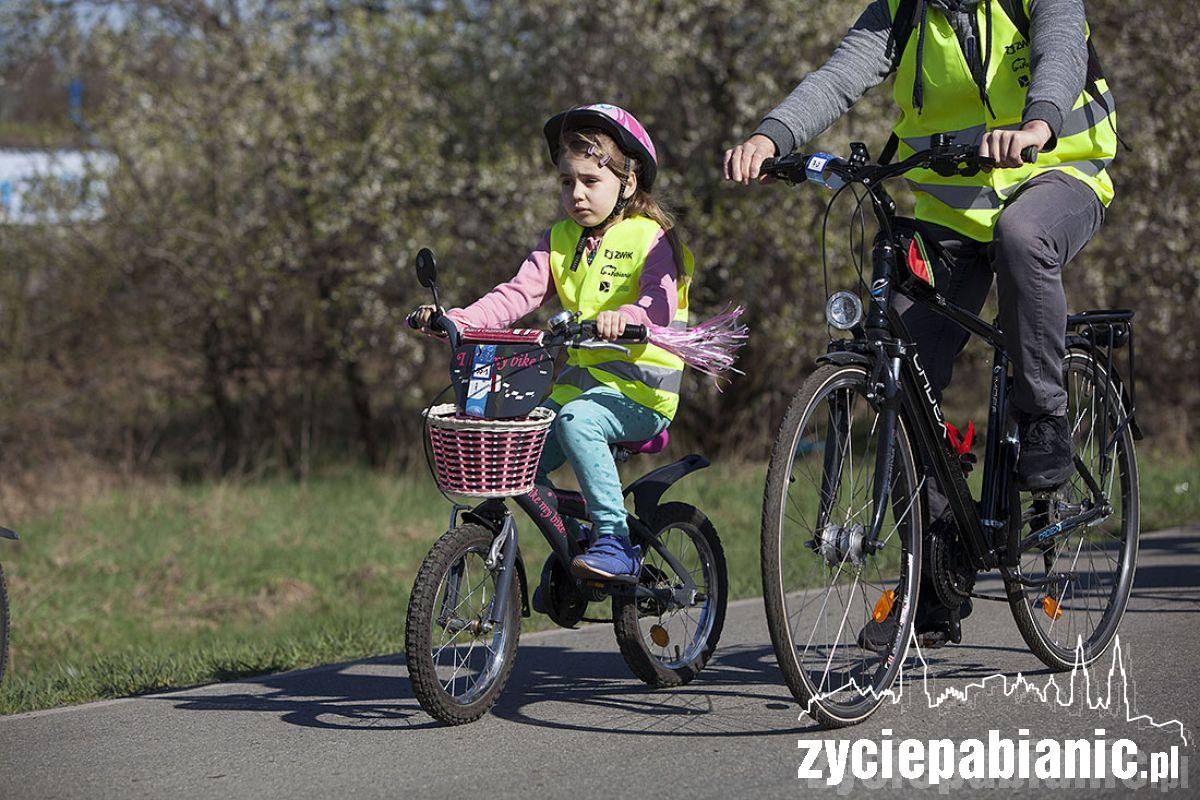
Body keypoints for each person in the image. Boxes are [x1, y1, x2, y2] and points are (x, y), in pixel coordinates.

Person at [725, 0, 1118, 646]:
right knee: (904, 367)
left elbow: (1060, 52)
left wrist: (1038, 124)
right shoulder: (904, 8)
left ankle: (1045, 417)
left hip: (1057, 171)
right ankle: (935, 577)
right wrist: (773, 138)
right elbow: (839, 75)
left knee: (1023, 238)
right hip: (954, 207)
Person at [411, 103, 695, 580]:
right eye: (567, 182)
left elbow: (658, 302)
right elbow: (516, 294)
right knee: (515, 457)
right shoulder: (560, 239)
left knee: (576, 420)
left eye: (591, 181)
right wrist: (457, 319)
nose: (577, 194)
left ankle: (615, 541)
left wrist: (625, 317)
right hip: (579, 387)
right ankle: (575, 548)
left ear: (628, 183)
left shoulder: (652, 238)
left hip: (640, 395)